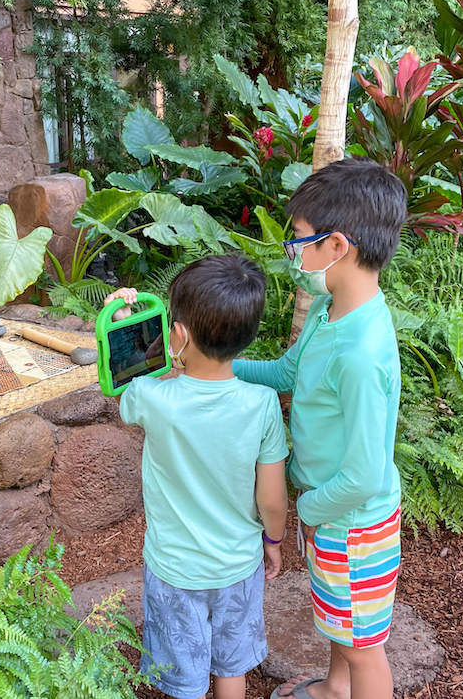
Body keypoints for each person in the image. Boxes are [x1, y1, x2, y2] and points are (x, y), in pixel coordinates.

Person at [233, 158, 407, 699]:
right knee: (341, 619)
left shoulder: (360, 354)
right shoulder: (331, 307)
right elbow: (287, 373)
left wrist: (302, 515)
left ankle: (350, 685)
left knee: (363, 644)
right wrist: (217, 365)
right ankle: (334, 689)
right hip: (332, 511)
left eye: (300, 241)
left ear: (338, 247)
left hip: (351, 520)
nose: (294, 252)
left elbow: (363, 475)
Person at [104, 254, 289, 699]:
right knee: (231, 666)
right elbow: (272, 500)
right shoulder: (262, 403)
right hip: (237, 566)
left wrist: (123, 320)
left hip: (174, 569)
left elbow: (123, 380)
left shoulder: (153, 397)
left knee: (183, 676)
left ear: (179, 335)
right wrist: (274, 541)